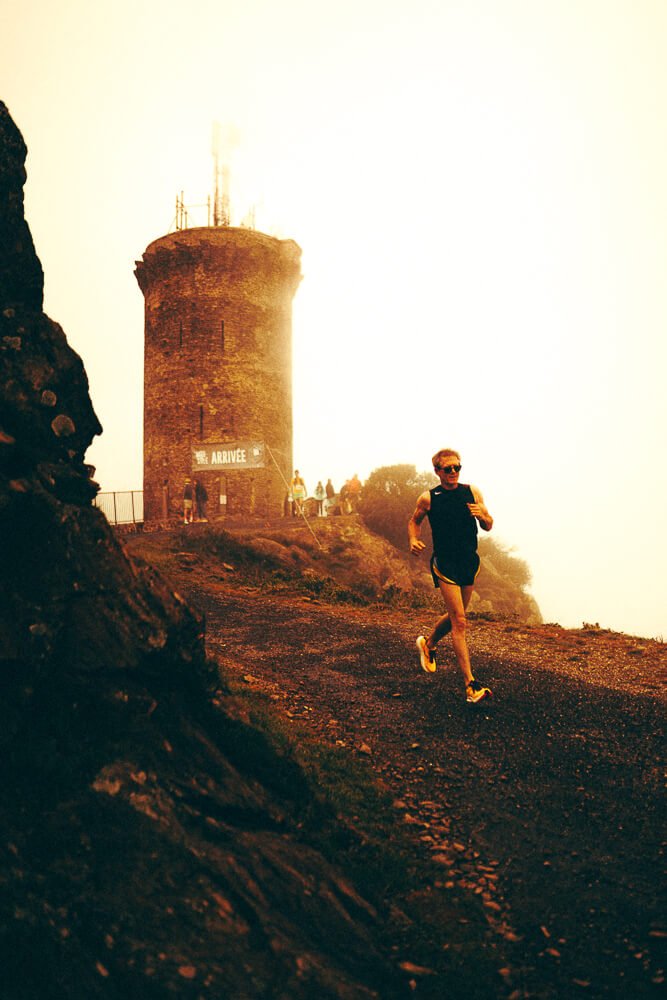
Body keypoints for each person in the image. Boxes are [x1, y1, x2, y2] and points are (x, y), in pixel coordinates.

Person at [407, 448, 494, 704]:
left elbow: (488, 525)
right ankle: (470, 685)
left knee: (459, 616)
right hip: (445, 564)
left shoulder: (472, 492)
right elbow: (414, 521)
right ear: (437, 471)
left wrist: (483, 515)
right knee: (460, 622)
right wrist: (413, 539)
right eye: (448, 469)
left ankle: (429, 644)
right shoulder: (429, 498)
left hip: (469, 561)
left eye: (457, 467)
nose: (453, 472)